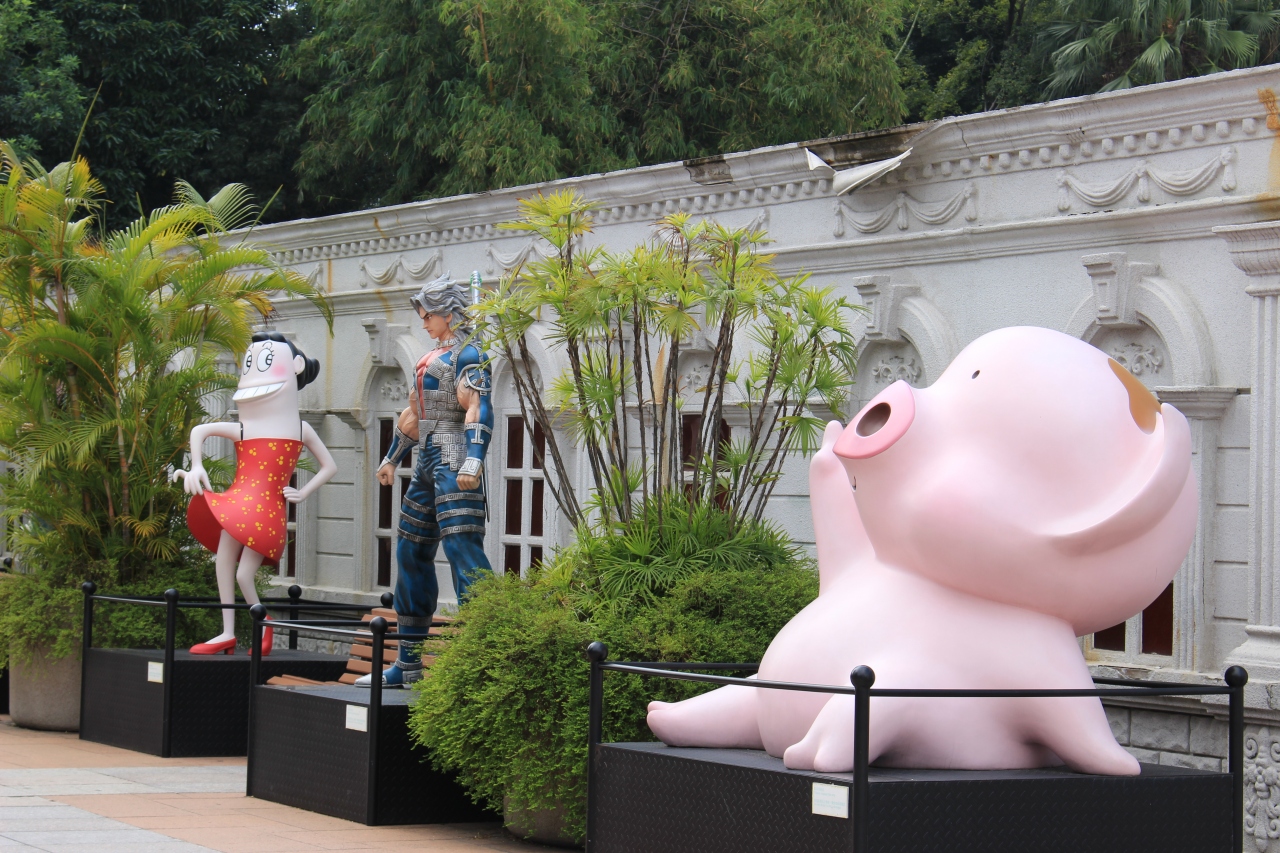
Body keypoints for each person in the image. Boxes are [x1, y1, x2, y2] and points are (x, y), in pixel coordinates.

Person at [357, 273, 493, 687]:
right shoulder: (429, 358)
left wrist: (474, 459)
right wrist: (392, 457)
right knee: (410, 552)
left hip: (454, 458)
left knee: (463, 551)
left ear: (449, 313)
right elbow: (415, 414)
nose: (424, 322)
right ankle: (409, 662)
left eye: (428, 314)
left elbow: (477, 407)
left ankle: (488, 658)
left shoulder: (470, 355)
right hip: (426, 461)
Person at [173, 332, 338, 655]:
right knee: (225, 564)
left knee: (244, 575)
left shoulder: (300, 429)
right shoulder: (246, 427)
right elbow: (200, 431)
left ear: (296, 366)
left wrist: (302, 492)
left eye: (264, 362)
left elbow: (329, 466)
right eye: (250, 363)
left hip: (266, 511)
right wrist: (196, 465)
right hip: (237, 504)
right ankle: (228, 632)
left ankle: (262, 622)